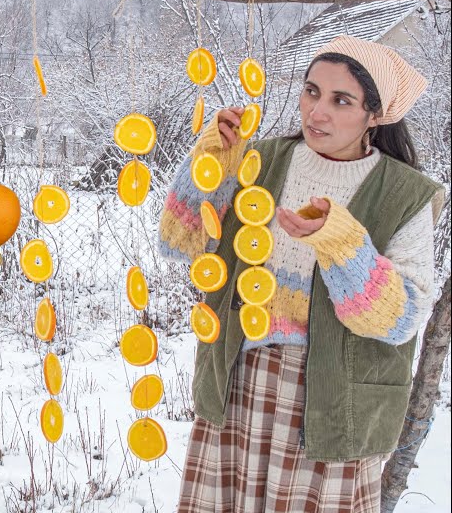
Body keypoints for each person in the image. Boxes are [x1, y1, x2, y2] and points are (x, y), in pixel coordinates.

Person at [159, 35, 442, 513]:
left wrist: (341, 243)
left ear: (375, 115)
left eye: (341, 100)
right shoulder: (260, 161)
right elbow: (178, 242)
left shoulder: (404, 194)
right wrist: (209, 163)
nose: (317, 112)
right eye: (311, 91)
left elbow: (401, 320)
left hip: (331, 402)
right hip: (239, 381)